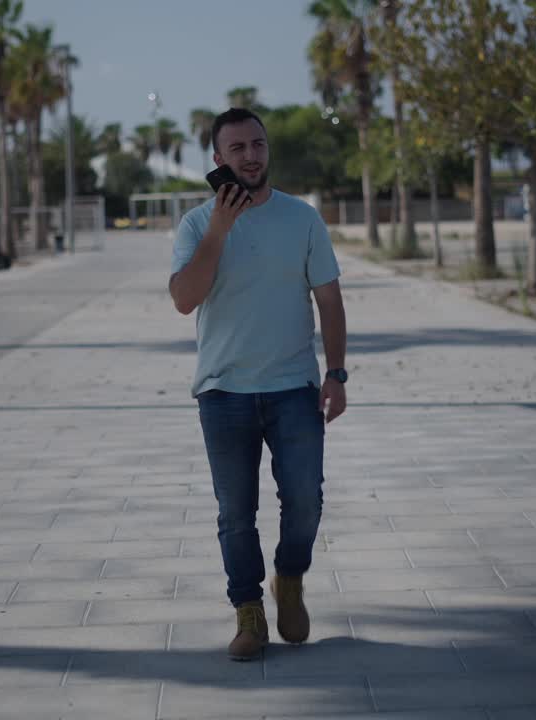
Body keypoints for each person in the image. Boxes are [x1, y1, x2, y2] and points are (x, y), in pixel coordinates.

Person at [168, 107, 349, 661]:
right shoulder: (198, 224)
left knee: (305, 503)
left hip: (294, 385)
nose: (250, 155)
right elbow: (183, 299)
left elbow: (329, 300)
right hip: (223, 393)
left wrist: (336, 373)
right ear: (219, 160)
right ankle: (248, 614)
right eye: (238, 148)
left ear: (268, 150)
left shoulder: (303, 219)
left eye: (258, 144)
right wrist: (221, 231)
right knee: (234, 512)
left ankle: (288, 578)